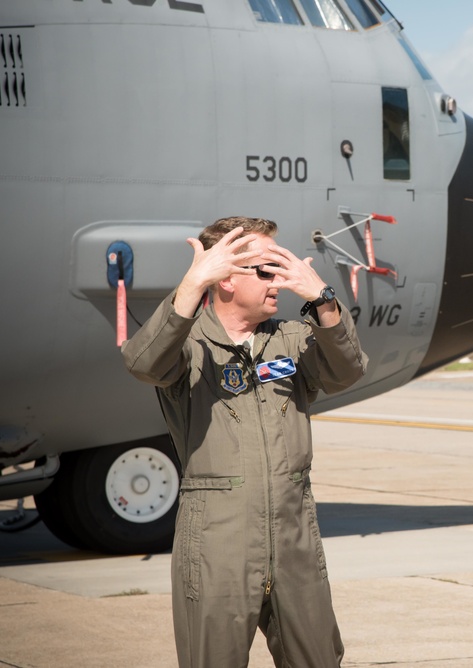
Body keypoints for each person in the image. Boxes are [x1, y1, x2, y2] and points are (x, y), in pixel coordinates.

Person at [122, 216, 367, 667]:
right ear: (226, 279)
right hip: (218, 545)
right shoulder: (189, 346)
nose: (279, 281)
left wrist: (323, 300)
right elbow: (144, 363)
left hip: (294, 541)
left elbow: (348, 370)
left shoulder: (292, 342)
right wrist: (191, 285)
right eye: (265, 270)